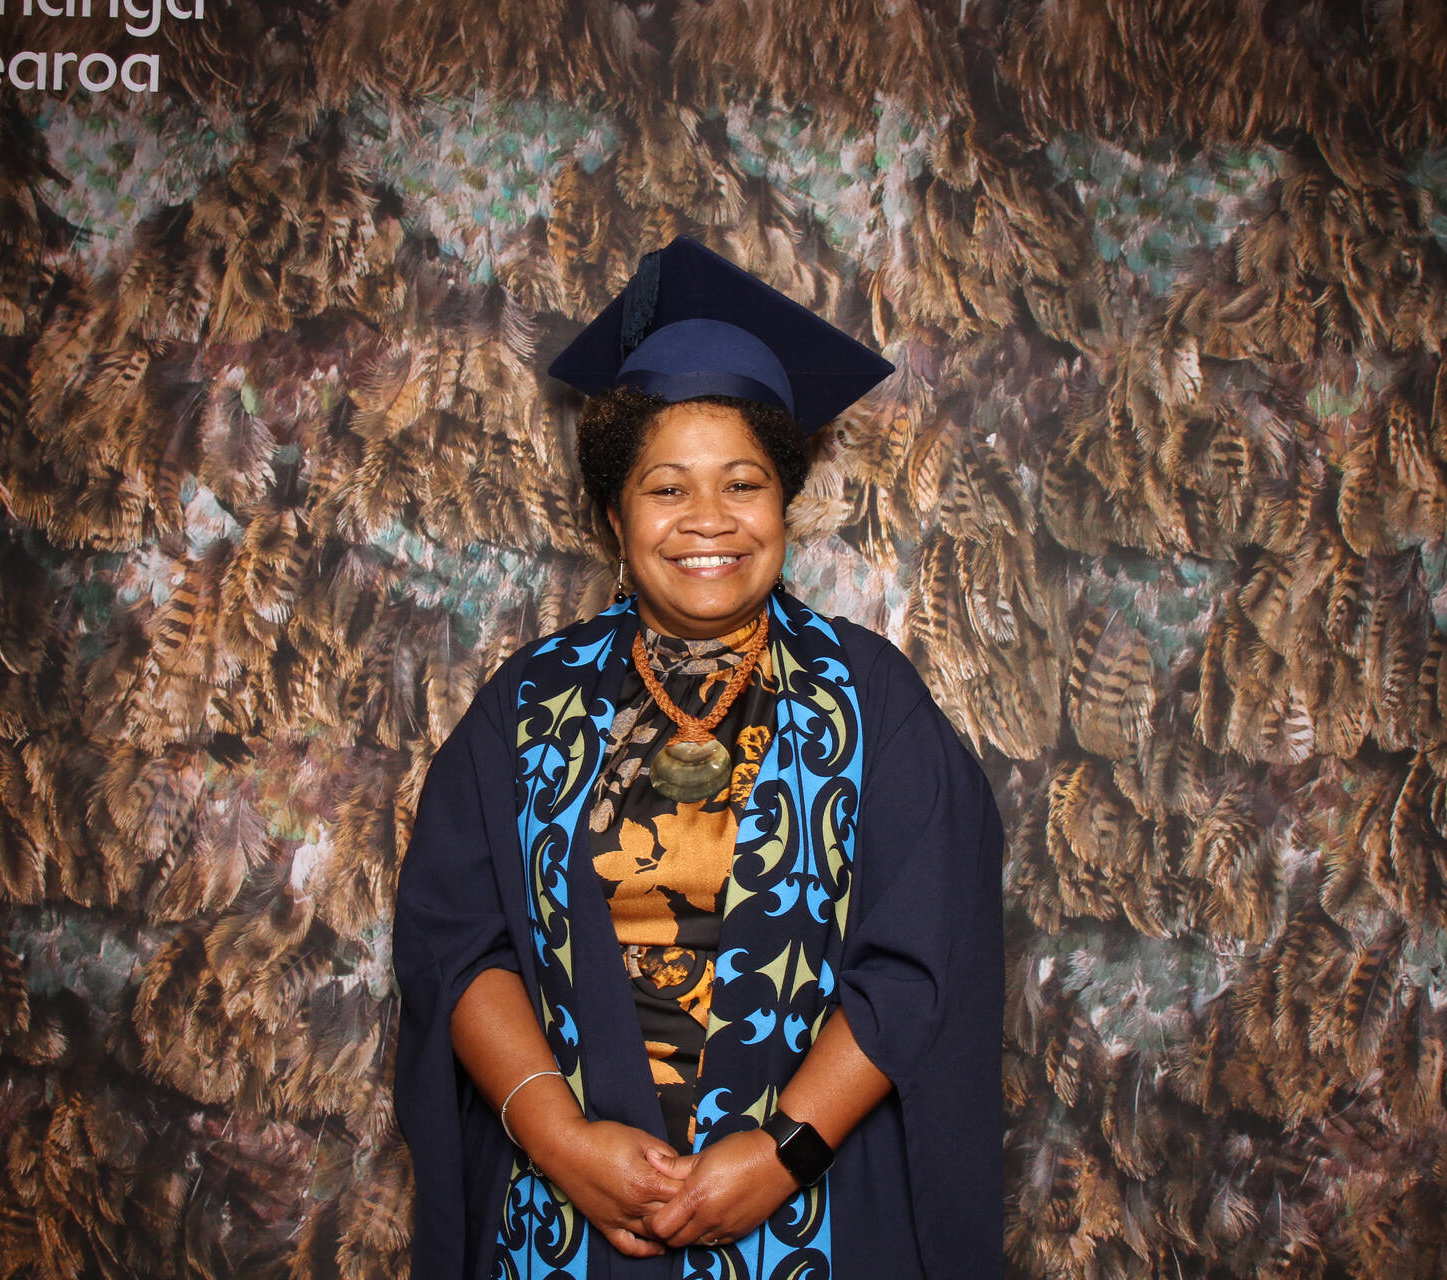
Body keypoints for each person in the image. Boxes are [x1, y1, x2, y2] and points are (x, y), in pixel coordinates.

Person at [393, 237, 1003, 1279]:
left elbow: (920, 960)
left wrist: (782, 1153)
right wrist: (559, 1141)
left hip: (808, 1213)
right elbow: (457, 941)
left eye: (743, 483)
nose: (708, 521)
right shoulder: (530, 704)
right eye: (667, 488)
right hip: (569, 1219)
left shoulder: (870, 699)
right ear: (614, 515)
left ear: (784, 502)